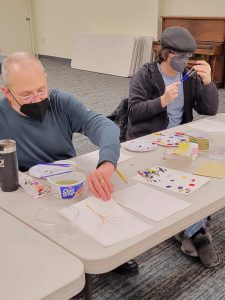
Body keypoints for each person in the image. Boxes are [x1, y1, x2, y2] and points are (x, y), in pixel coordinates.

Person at [0, 52, 136, 274]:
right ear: (7, 92)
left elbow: (105, 127)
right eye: (26, 95)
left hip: (68, 183)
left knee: (106, 219)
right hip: (26, 191)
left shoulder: (60, 101)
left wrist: (107, 163)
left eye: (41, 90)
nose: (37, 99)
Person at [125, 26, 220, 268]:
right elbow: (134, 113)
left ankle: (185, 227)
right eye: (181, 55)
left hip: (178, 142)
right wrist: (162, 101)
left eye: (189, 56)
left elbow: (209, 110)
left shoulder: (188, 77)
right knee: (175, 182)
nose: (186, 60)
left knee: (202, 173)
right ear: (166, 53)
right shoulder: (145, 75)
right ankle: (197, 233)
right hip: (147, 142)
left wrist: (208, 83)